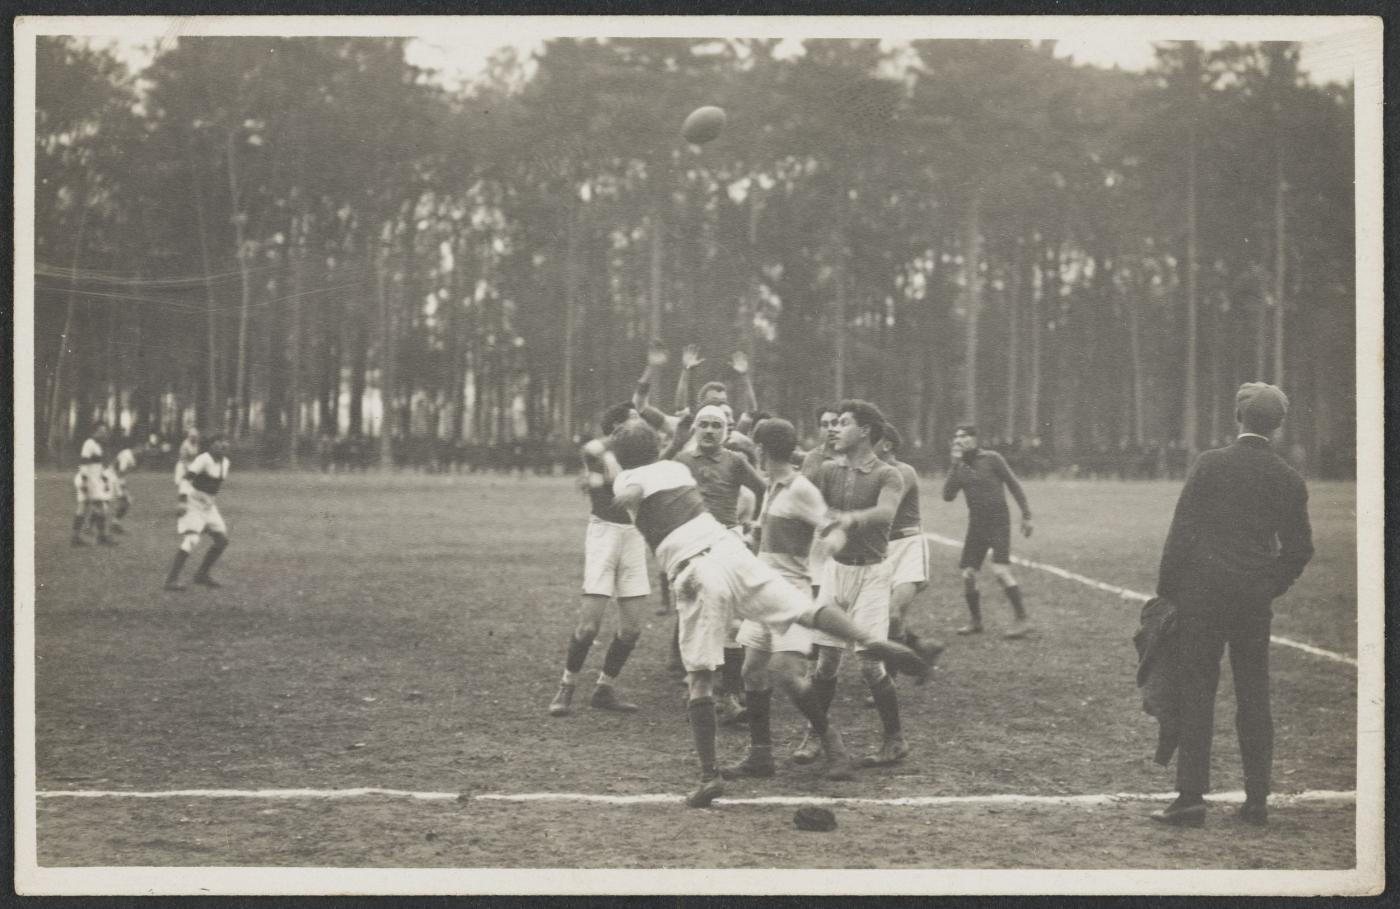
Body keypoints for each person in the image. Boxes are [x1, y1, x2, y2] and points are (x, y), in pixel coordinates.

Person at [608, 419, 929, 807]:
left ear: (761, 449)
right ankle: (871, 641)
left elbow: (629, 491)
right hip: (732, 553)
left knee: (704, 680)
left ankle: (710, 776)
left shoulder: (640, 476)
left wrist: (606, 472)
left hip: (697, 570)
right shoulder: (678, 469)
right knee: (774, 648)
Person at [1149, 383, 1313, 828]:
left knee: (1196, 692)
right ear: (1276, 425)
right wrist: (1268, 585)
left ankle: (1190, 799)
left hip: (1202, 597)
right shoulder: (1288, 478)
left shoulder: (1210, 465)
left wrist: (1169, 591)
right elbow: (1299, 550)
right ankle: (1257, 800)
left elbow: (1180, 532)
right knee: (1254, 695)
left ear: (1238, 417)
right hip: (1253, 601)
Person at [722, 418, 857, 782]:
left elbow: (833, 528)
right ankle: (760, 756)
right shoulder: (774, 487)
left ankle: (834, 746)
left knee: (787, 672)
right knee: (752, 670)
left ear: (763, 451)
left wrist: (824, 552)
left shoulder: (799, 488)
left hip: (790, 593)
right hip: (763, 590)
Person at [796, 400, 930, 769]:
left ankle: (895, 739)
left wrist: (850, 519)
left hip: (872, 573)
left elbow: (886, 513)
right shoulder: (827, 470)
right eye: (833, 423)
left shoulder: (889, 474)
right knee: (824, 664)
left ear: (866, 431)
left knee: (871, 666)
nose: (834, 429)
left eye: (843, 423)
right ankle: (816, 734)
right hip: (835, 572)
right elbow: (805, 501)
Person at [547, 401, 666, 717]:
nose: (639, 425)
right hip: (604, 535)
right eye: (631, 421)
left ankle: (604, 687)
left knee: (632, 629)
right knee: (589, 627)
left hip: (634, 537)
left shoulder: (645, 457)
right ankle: (567, 686)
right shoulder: (600, 454)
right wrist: (601, 480)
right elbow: (592, 453)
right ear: (616, 428)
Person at [674, 404, 768, 723]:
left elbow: (766, 490)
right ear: (695, 429)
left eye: (716, 425)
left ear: (725, 431)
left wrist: (758, 523)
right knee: (697, 616)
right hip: (692, 543)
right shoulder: (682, 461)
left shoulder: (736, 461)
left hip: (727, 540)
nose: (710, 430)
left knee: (733, 621)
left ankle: (729, 697)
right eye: (704, 425)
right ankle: (698, 692)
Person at [942, 425, 1034, 639]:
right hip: (976, 523)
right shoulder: (960, 465)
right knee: (968, 574)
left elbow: (1013, 484)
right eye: (956, 437)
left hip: (998, 521)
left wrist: (1026, 515)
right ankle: (976, 621)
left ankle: (1022, 619)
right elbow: (947, 495)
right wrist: (954, 465)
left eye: (963, 436)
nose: (959, 441)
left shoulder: (992, 458)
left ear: (974, 439)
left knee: (1000, 571)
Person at [877, 425, 942, 682]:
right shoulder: (870, 473)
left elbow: (887, 506)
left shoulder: (904, 472)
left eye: (873, 440)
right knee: (888, 618)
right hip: (881, 549)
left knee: (892, 614)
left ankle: (889, 678)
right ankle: (922, 653)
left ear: (887, 445)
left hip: (908, 546)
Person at [164, 431, 232, 591]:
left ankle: (201, 575)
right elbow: (185, 479)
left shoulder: (226, 463)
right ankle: (171, 580)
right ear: (211, 445)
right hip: (193, 503)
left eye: (225, 441)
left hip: (209, 506)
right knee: (192, 540)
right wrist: (181, 502)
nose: (223, 444)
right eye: (218, 441)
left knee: (222, 541)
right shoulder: (203, 459)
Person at [72, 422, 116, 546]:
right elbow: (84, 463)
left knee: (84, 507)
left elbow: (98, 467)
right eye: (101, 431)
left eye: (105, 431)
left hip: (93, 481)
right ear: (94, 432)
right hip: (87, 481)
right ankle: (101, 537)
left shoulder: (98, 445)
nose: (104, 433)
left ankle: (76, 538)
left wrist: (104, 480)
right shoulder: (89, 444)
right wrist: (85, 482)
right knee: (100, 507)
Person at [105, 440, 138, 534]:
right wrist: (123, 487)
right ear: (137, 446)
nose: (145, 450)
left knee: (124, 501)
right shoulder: (127, 455)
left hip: (114, 477)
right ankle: (113, 525)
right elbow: (120, 472)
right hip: (111, 477)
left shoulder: (131, 456)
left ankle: (115, 524)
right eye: (143, 447)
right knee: (106, 502)